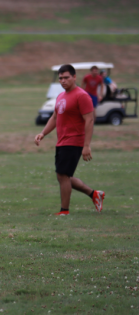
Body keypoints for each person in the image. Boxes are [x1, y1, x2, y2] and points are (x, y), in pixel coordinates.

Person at [35, 64, 105, 216]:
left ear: (74, 77)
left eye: (66, 77)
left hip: (74, 141)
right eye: (60, 78)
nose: (63, 81)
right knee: (64, 176)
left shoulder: (82, 95)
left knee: (63, 175)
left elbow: (90, 120)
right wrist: (43, 133)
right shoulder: (61, 96)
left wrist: (87, 146)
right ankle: (94, 194)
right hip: (62, 141)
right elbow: (55, 117)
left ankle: (64, 211)